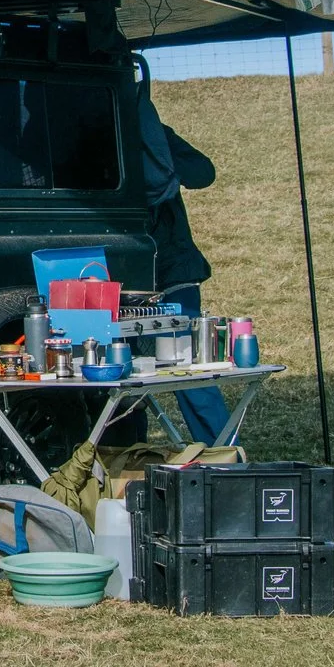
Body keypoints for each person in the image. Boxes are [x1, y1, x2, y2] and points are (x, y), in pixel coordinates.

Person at [134, 64, 226, 440]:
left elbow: (204, 173)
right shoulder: (149, 136)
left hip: (167, 272)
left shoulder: (155, 138)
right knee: (171, 370)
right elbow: (203, 173)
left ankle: (223, 454)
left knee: (184, 367)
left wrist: (163, 150)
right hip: (146, 274)